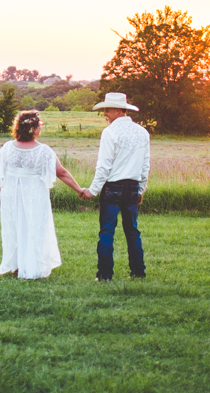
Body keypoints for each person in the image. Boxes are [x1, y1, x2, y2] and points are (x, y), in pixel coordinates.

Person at [0, 109, 88, 279]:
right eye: (39, 125)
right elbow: (62, 172)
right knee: (34, 227)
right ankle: (32, 266)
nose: (40, 129)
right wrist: (79, 190)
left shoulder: (7, 148)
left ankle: (17, 266)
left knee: (15, 227)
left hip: (11, 195)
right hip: (34, 195)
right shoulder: (43, 151)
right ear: (33, 129)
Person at [80, 92, 149, 281]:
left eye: (107, 110)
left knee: (107, 231)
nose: (105, 114)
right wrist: (141, 189)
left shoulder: (110, 132)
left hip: (112, 188)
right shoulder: (142, 132)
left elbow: (104, 166)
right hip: (133, 186)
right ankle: (138, 272)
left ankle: (105, 274)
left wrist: (92, 190)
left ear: (118, 110)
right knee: (133, 231)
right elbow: (145, 165)